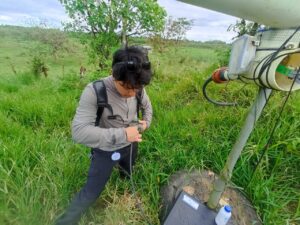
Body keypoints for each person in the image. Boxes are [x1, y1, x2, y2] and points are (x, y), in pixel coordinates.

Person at [56, 46, 153, 225]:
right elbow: (79, 132)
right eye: (126, 87)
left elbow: (147, 107)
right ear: (113, 73)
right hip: (105, 150)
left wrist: (146, 122)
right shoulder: (95, 91)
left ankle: (125, 184)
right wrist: (123, 134)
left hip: (132, 144)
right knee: (91, 193)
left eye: (136, 88)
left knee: (128, 170)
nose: (131, 93)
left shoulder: (137, 86)